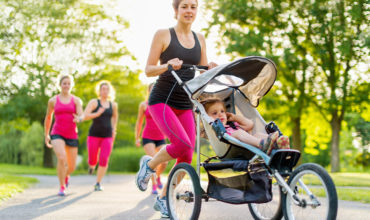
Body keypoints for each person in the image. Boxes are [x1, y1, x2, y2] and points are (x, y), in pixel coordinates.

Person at [135, 0, 217, 217]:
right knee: (181, 144)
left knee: (187, 153)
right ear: (176, 11)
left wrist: (210, 69)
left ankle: (163, 199)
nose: (189, 10)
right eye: (185, 6)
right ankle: (149, 165)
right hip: (161, 100)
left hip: (185, 103)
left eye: (193, 6)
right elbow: (148, 69)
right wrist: (167, 65)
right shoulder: (163, 34)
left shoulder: (200, 38)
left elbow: (202, 74)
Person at [44, 74, 84, 196]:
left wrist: (79, 118)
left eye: (68, 83)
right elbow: (48, 117)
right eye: (64, 83)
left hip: (72, 134)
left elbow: (81, 114)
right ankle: (62, 187)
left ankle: (66, 175)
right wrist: (46, 134)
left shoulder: (76, 100)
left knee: (71, 167)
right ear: (60, 85)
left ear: (71, 85)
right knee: (61, 158)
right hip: (57, 133)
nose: (66, 85)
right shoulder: (53, 100)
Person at [203, 98, 290, 153]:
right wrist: (210, 121)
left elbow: (250, 124)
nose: (220, 114)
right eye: (215, 113)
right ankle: (262, 144)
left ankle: (278, 144)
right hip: (233, 149)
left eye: (222, 111)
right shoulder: (217, 130)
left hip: (248, 143)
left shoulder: (233, 125)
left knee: (256, 135)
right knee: (239, 133)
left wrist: (235, 118)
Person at [78, 80, 118, 191]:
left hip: (107, 135)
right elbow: (85, 115)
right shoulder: (94, 102)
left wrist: (114, 129)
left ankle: (98, 183)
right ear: (99, 91)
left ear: (109, 91)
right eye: (103, 89)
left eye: (107, 89)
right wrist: (97, 113)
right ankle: (91, 166)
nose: (105, 91)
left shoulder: (113, 105)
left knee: (104, 158)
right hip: (94, 135)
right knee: (92, 158)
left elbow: (115, 117)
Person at [135, 83, 168, 195]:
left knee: (164, 162)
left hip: (160, 137)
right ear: (149, 91)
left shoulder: (162, 104)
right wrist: (137, 137)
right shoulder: (144, 105)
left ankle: (157, 177)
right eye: (152, 89)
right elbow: (139, 122)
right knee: (153, 159)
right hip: (147, 137)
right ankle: (153, 185)